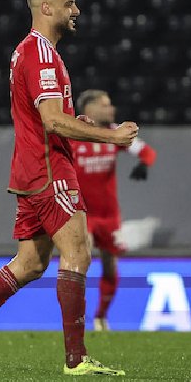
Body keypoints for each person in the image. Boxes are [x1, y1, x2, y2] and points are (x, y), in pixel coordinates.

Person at [0, 0, 139, 376]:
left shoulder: (34, 53)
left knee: (28, 264)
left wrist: (74, 121)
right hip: (48, 169)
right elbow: (51, 121)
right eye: (70, 4)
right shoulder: (41, 54)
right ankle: (76, 360)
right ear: (46, 8)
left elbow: (46, 117)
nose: (76, 11)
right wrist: (110, 137)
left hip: (30, 169)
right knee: (78, 253)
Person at [71, 90, 156, 332]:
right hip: (81, 213)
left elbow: (148, 152)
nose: (112, 110)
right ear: (89, 109)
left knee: (110, 265)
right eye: (106, 105)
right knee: (81, 260)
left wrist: (143, 163)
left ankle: (100, 317)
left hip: (109, 215)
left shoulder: (115, 132)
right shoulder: (74, 134)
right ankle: (76, 317)